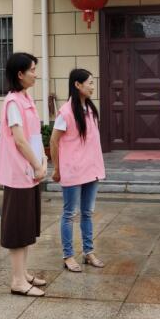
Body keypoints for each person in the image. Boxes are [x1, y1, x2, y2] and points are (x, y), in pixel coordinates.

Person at [0, 52, 47, 296]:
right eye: (32, 70)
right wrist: (37, 165)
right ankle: (17, 281)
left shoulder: (26, 98)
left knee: (26, 225)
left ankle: (23, 273)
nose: (36, 74)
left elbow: (34, 136)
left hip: (30, 173)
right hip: (19, 173)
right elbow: (20, 140)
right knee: (17, 228)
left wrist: (42, 161)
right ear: (20, 74)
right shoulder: (13, 102)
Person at [50, 68, 106, 272]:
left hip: (91, 169)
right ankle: (68, 255)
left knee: (87, 213)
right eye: (90, 83)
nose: (92, 87)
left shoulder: (90, 109)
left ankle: (88, 252)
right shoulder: (66, 112)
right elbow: (54, 141)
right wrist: (56, 168)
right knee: (69, 214)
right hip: (73, 171)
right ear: (77, 85)